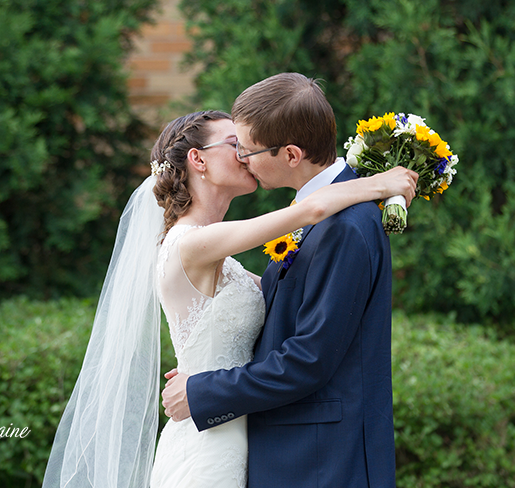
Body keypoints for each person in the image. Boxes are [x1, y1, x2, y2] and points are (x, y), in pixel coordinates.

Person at [42, 105, 416, 487]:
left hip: (242, 432)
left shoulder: (225, 259)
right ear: (197, 159)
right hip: (207, 443)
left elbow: (286, 293)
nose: (244, 154)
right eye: (234, 144)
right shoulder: (191, 243)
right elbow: (313, 208)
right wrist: (381, 183)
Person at [162, 73, 401, 488]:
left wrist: (203, 391)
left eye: (248, 149)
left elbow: (309, 359)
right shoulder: (311, 216)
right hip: (258, 450)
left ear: (291, 154)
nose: (243, 159)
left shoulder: (342, 226)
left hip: (321, 459)